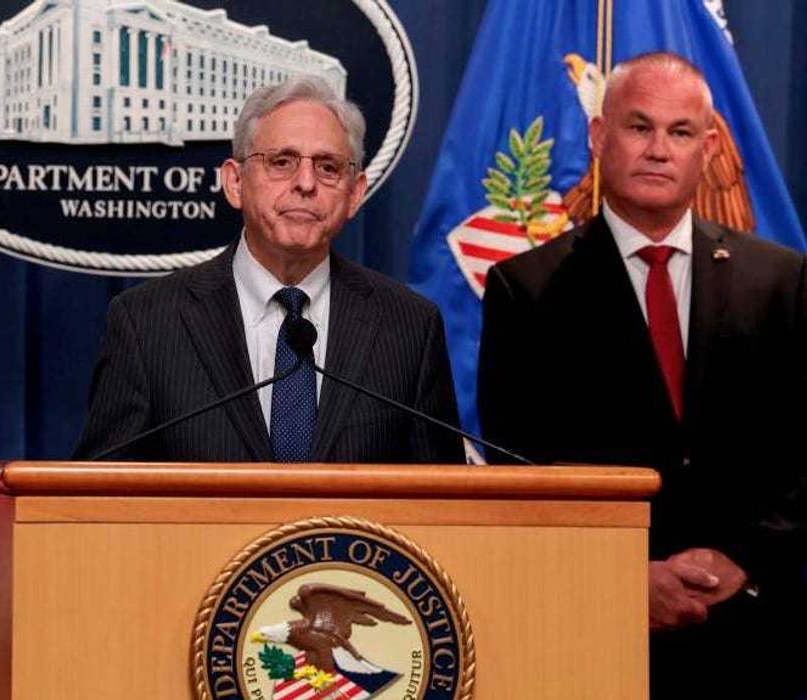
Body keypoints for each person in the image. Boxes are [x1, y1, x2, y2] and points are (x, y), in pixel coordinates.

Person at [478, 52, 804, 697]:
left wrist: (746, 560)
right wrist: (628, 578)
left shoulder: (782, 281)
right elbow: (522, 472)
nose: (659, 149)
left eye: (680, 132)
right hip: (592, 633)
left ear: (709, 149)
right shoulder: (527, 290)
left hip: (756, 635)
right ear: (599, 138)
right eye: (638, 127)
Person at [74, 76, 463, 464]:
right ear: (235, 182)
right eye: (282, 162)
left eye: (328, 167)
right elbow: (99, 502)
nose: (306, 183)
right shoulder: (148, 323)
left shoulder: (410, 327)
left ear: (355, 193)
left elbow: (441, 507)